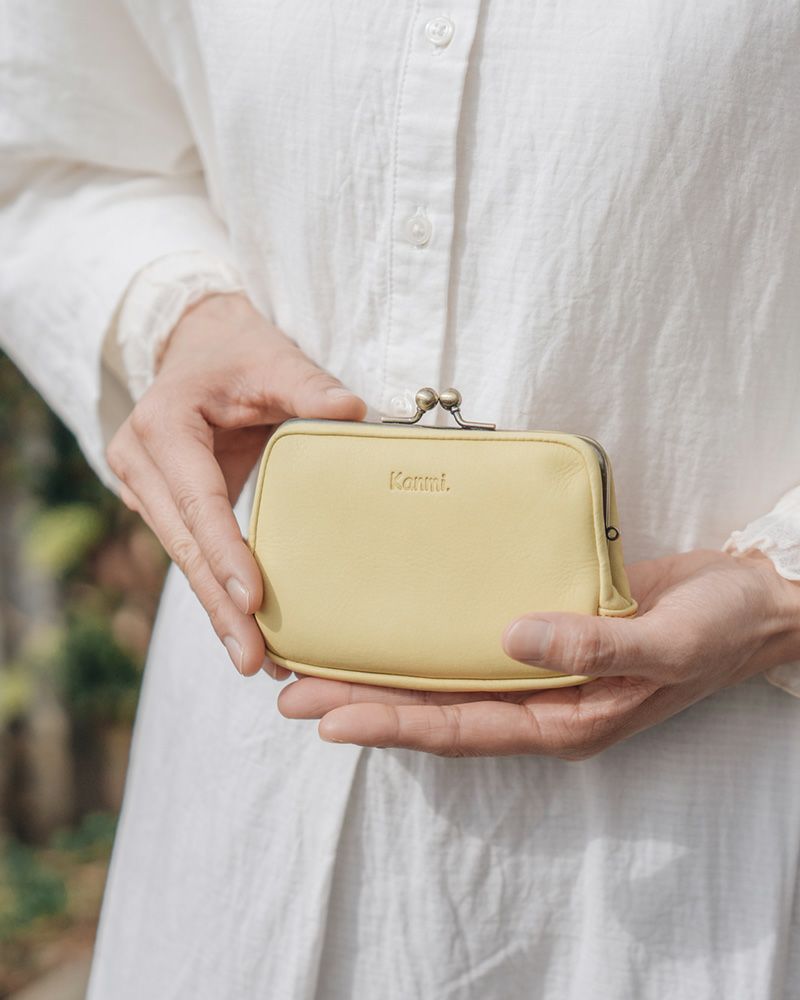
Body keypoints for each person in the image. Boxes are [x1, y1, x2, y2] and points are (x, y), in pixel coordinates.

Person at [2, 2, 799, 997]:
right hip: (247, 787)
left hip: (708, 819)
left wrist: (780, 590)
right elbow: (48, 146)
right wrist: (181, 320)